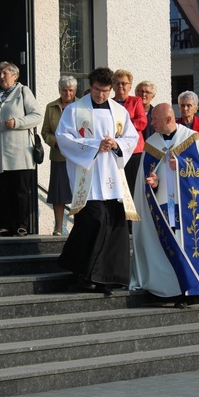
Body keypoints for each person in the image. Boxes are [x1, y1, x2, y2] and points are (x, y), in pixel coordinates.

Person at [130, 103, 199, 305]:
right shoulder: (152, 143)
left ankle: (194, 291)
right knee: (167, 246)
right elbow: (149, 176)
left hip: (189, 207)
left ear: (169, 119)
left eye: (155, 119)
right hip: (164, 207)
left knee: (189, 243)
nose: (151, 123)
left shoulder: (192, 140)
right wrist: (153, 183)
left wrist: (180, 165)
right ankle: (170, 289)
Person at [55, 66, 139, 294]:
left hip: (112, 175)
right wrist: (94, 145)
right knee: (95, 220)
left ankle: (108, 277)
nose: (100, 94)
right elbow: (63, 139)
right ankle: (84, 274)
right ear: (90, 87)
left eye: (104, 90)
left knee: (115, 224)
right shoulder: (74, 110)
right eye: (95, 90)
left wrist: (116, 144)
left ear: (110, 90)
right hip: (89, 178)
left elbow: (132, 137)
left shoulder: (119, 112)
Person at [0, 61, 42, 236]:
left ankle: (21, 225)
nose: (1, 76)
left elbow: (37, 116)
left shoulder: (23, 91)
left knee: (20, 191)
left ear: (15, 76)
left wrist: (17, 122)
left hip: (19, 151)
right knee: (1, 191)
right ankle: (5, 224)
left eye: (5, 73)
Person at [41, 76, 78, 236]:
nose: (67, 93)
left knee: (78, 193)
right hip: (58, 155)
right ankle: (59, 227)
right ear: (59, 90)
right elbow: (45, 132)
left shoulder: (82, 106)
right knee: (59, 194)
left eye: (70, 90)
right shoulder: (51, 107)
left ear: (75, 91)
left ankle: (79, 227)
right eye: (64, 90)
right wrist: (55, 141)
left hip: (78, 157)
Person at [113, 69, 148, 199]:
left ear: (130, 86)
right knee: (118, 189)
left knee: (133, 189)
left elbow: (142, 122)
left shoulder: (136, 101)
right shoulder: (109, 103)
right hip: (116, 151)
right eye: (117, 83)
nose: (120, 86)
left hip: (134, 151)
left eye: (124, 83)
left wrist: (121, 127)